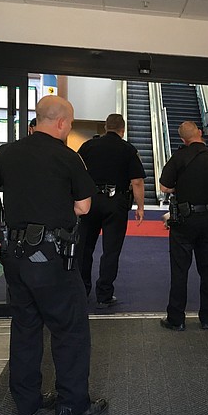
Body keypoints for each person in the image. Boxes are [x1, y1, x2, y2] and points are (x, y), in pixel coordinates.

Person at [0, 95, 107, 415]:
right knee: (69, 329)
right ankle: (72, 405)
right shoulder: (67, 157)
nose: (69, 128)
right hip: (52, 257)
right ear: (60, 122)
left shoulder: (8, 152)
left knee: (26, 327)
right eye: (69, 123)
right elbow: (84, 207)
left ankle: (26, 405)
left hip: (14, 255)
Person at [159, 121, 208, 331]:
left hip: (184, 222)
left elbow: (165, 186)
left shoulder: (179, 157)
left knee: (179, 270)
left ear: (182, 139)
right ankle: (207, 317)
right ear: (200, 133)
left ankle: (176, 319)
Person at [77, 114, 147, 309]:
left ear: (105, 127)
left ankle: (82, 291)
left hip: (89, 201)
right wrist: (140, 207)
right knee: (111, 251)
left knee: (85, 248)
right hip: (116, 203)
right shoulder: (128, 150)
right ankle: (104, 294)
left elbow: (75, 173)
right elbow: (137, 181)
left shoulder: (88, 146)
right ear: (123, 129)